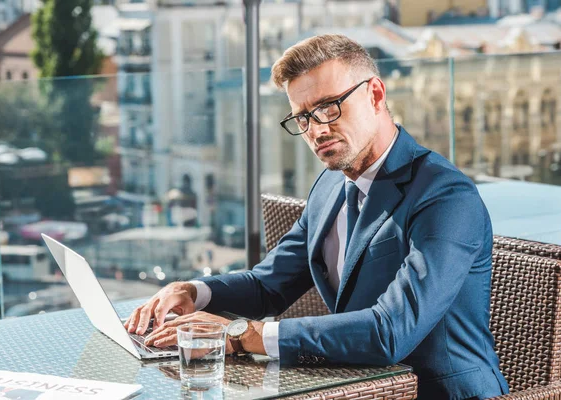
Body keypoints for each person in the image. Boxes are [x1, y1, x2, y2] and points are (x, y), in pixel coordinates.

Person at [125, 34, 509, 399]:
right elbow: (268, 286)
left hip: (439, 393)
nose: (317, 129)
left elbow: (391, 330)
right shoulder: (329, 186)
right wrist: (194, 292)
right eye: (303, 117)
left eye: (329, 106)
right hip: (357, 386)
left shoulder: (443, 194)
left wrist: (244, 334)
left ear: (375, 94)